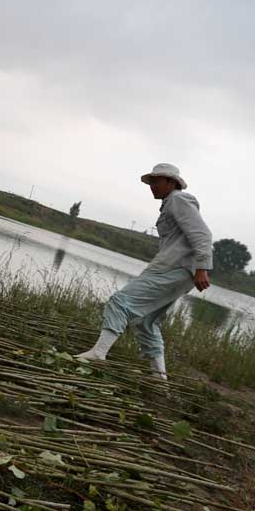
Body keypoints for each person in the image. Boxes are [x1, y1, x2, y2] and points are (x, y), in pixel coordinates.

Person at [75, 163, 213, 380]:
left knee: (120, 302)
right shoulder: (170, 204)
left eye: (156, 181)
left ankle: (98, 353)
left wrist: (203, 268)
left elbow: (202, 234)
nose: (152, 186)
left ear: (171, 182)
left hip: (173, 268)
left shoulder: (178, 200)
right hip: (180, 270)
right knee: (146, 321)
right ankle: (160, 379)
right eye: (150, 182)